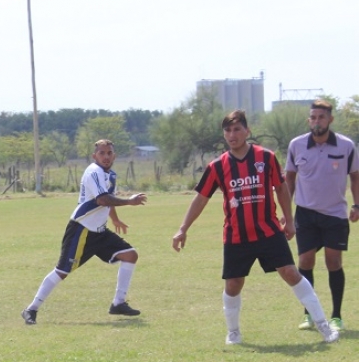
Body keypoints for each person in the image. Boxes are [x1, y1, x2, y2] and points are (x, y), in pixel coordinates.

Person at [172, 110, 338, 345]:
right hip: (236, 235)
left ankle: (323, 325)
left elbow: (281, 188)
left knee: (290, 273)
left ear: (247, 131)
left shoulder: (266, 157)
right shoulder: (217, 166)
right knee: (233, 283)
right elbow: (200, 198)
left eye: (237, 129)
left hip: (268, 231)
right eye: (228, 130)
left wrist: (289, 220)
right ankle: (234, 332)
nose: (232, 134)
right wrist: (183, 228)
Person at [21, 139, 146, 325]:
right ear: (94, 156)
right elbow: (103, 199)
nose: (105, 156)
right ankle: (31, 309)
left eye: (109, 153)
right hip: (81, 229)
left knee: (130, 255)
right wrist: (129, 201)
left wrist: (115, 218)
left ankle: (118, 303)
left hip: (99, 232)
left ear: (114, 155)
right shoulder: (93, 172)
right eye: (101, 153)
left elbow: (108, 199)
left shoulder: (110, 174)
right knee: (62, 271)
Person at [285, 99, 359, 332]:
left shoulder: (346, 146)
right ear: (309, 120)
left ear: (330, 120)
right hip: (305, 213)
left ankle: (336, 315)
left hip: (335, 214)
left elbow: (355, 177)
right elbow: (289, 179)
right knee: (305, 262)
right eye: (313, 117)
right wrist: (286, 213)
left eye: (322, 117)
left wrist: (357, 205)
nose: (317, 121)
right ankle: (309, 315)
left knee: (333, 261)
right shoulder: (296, 145)